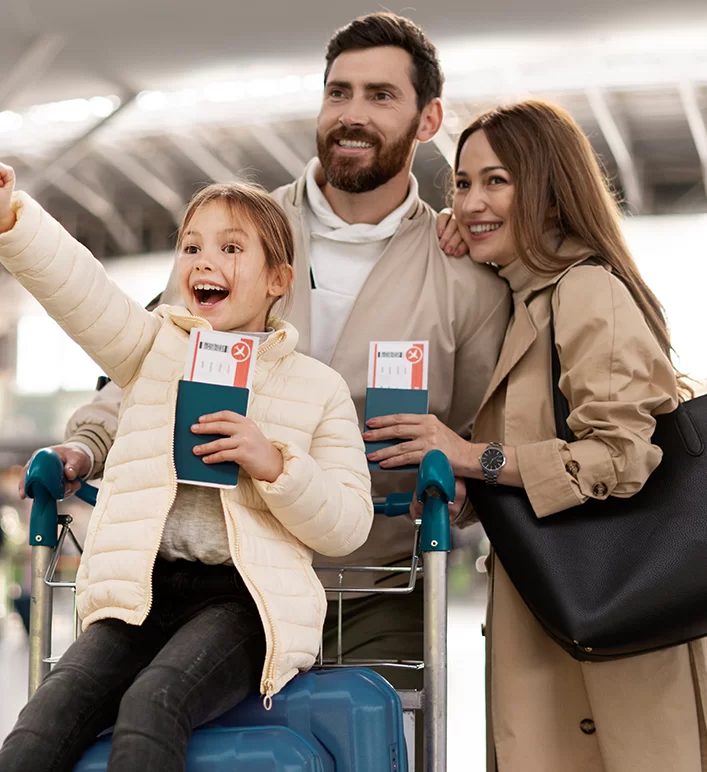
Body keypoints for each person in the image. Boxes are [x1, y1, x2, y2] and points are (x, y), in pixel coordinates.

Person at [24, 11, 510, 700]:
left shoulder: (463, 274)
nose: (351, 113)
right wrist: (88, 443)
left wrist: (463, 486)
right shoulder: (234, 236)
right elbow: (154, 361)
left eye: (380, 96)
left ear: (428, 119)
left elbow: (486, 434)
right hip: (224, 579)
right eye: (337, 91)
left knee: (373, 737)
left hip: (377, 586)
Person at [363, 99, 706, 772]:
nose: (468, 201)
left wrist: (465, 452)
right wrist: (462, 489)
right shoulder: (527, 301)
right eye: (461, 183)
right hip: (556, 612)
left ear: (550, 191)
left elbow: (618, 458)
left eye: (497, 180)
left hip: (615, 634)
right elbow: (529, 456)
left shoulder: (586, 292)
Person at [0, 164, 373, 771]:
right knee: (42, 722)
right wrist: (14, 220)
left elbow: (349, 524)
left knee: (155, 702)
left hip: (241, 602)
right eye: (192, 246)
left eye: (231, 248)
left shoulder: (318, 388)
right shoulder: (153, 350)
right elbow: (82, 293)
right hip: (142, 591)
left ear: (279, 278)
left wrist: (275, 464)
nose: (206, 260)